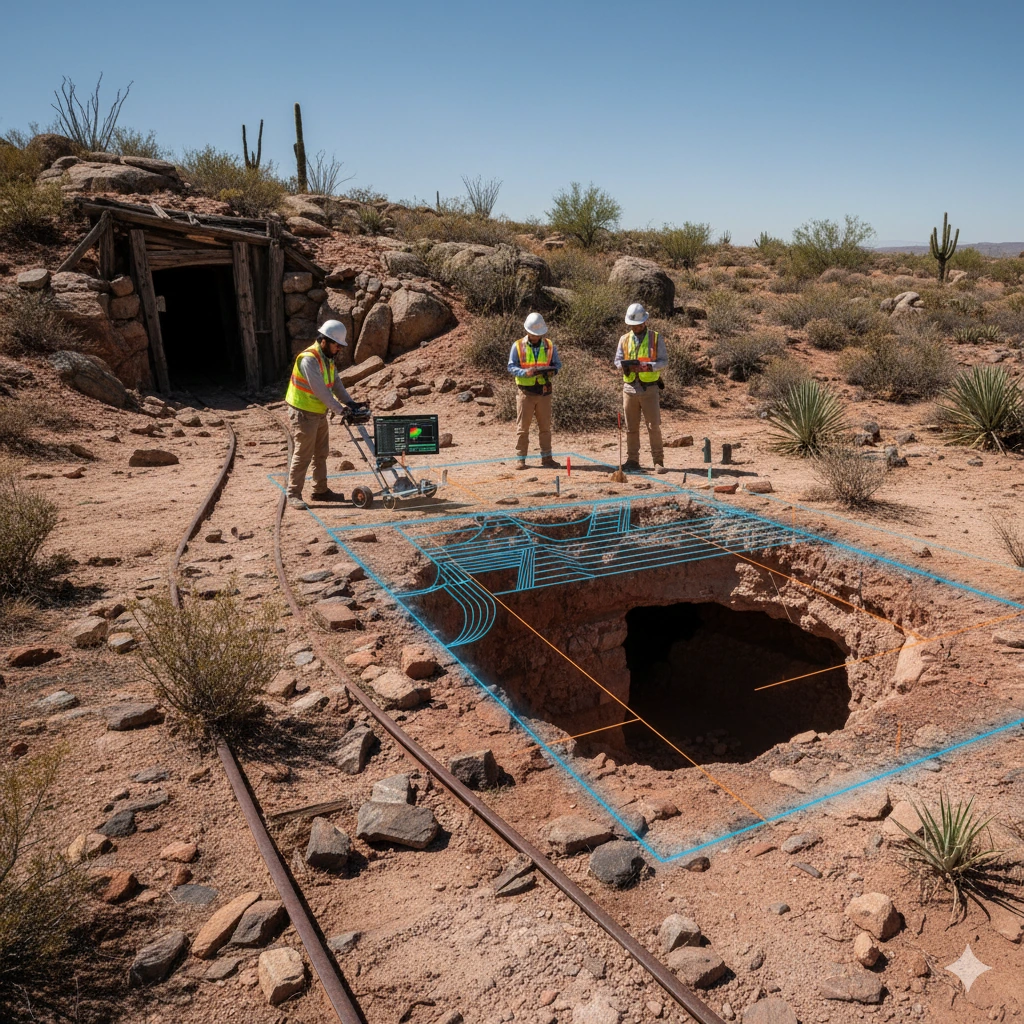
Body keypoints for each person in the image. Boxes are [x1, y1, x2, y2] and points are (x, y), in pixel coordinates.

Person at [284, 320, 361, 510]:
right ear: (325, 341)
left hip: (318, 412)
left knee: (321, 453)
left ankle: (320, 490)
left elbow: (336, 385)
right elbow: (321, 391)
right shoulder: (309, 359)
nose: (339, 349)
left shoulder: (328, 359)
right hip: (303, 413)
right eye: (336, 345)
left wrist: (351, 403)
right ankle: (293, 493)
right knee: (303, 454)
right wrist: (341, 410)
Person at [614, 302, 668, 474]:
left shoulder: (656, 338)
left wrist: (649, 366)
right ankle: (632, 460)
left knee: (653, 426)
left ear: (644, 321)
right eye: (632, 325)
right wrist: (625, 366)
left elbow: (663, 361)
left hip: (649, 388)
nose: (635, 327)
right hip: (629, 388)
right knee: (631, 427)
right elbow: (617, 361)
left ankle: (658, 461)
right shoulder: (624, 339)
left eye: (637, 324)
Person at [508, 312, 562, 470]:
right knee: (523, 428)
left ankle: (547, 459)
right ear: (527, 331)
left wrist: (553, 371)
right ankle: (521, 459)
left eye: (538, 334)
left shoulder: (549, 345)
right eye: (533, 334)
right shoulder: (518, 345)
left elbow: (557, 364)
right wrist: (525, 373)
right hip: (526, 393)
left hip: (544, 392)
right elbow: (511, 366)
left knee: (545, 428)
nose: (535, 337)